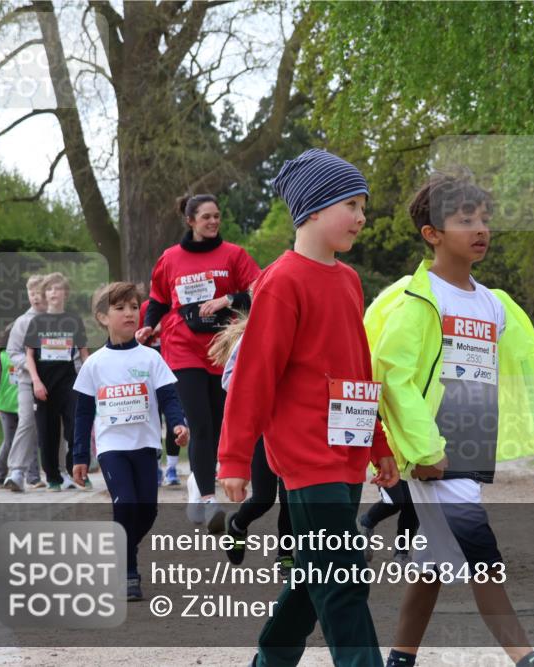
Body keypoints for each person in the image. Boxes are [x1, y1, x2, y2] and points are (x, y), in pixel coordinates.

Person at [365, 171, 534, 667]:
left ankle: (399, 660)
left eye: (485, 219)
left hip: (473, 447)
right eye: (465, 219)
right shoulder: (417, 300)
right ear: (432, 233)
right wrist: (423, 451)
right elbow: (392, 374)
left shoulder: (496, 304)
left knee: (431, 564)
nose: (481, 228)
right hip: (434, 457)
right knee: (483, 557)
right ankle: (529, 661)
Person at [217, 148, 399, 667]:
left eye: (364, 205)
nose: (362, 216)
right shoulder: (280, 281)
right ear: (313, 209)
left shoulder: (348, 280)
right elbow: (254, 378)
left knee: (316, 575)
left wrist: (378, 443)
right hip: (304, 457)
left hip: (345, 454)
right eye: (351, 203)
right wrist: (232, 458)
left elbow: (358, 371)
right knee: (345, 576)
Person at [136, 193, 260, 529]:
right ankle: (207, 498)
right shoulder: (170, 258)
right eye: (206, 217)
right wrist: (149, 324)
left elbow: (261, 290)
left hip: (223, 348)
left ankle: (197, 483)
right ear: (190, 220)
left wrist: (227, 299)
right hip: (182, 347)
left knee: (220, 424)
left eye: (217, 216)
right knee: (200, 424)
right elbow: (159, 299)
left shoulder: (234, 255)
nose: (213, 222)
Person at [73, 282, 189, 600]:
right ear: (102, 318)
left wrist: (178, 425)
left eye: (134, 307)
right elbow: (82, 415)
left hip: (145, 446)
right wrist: (80, 456)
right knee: (125, 504)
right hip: (112, 448)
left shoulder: (151, 358)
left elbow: (169, 399)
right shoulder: (94, 364)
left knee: (147, 511)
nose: (129, 313)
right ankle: (128, 573)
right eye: (120, 308)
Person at [208, 317, 294, 575]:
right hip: (262, 429)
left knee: (290, 495)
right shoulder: (252, 338)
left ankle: (285, 553)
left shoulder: (303, 333)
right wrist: (263, 387)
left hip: (291, 426)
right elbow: (230, 381)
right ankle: (238, 524)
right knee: (264, 498)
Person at [24, 273, 90, 491]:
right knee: (48, 432)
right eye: (50, 289)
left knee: (76, 427)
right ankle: (52, 476)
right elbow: (29, 356)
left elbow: (84, 354)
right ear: (45, 294)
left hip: (69, 382)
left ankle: (76, 469)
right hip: (44, 384)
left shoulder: (74, 320)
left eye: (58, 288)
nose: (54, 293)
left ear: (65, 293)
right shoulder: (37, 321)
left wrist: (91, 378)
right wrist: (35, 382)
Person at [3, 274, 48, 491]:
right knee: (27, 421)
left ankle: (62, 471)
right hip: (26, 382)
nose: (35, 298)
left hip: (54, 383)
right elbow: (12, 353)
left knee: (55, 425)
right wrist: (31, 367)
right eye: (31, 293)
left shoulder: (60, 320)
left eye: (39, 293)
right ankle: (17, 472)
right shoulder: (22, 322)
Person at [0, 326, 38, 486]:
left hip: (27, 404)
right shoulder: (2, 357)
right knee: (9, 442)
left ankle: (33, 477)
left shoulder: (32, 358)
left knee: (30, 440)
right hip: (7, 407)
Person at [140, 298, 181, 486]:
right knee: (152, 420)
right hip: (148, 372)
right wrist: (150, 332)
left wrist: (163, 329)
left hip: (173, 368)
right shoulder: (145, 308)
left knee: (175, 419)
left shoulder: (178, 304)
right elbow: (136, 337)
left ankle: (172, 467)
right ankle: (155, 466)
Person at [358, 481, 418, 565]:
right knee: (394, 501)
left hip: (410, 471)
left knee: (412, 504)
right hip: (387, 469)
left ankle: (402, 553)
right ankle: (366, 522)